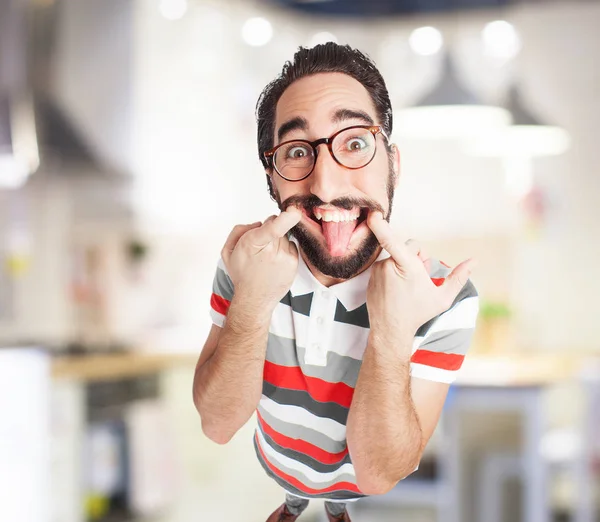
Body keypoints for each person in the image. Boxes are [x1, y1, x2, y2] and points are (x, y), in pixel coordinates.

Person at [193, 42, 479, 522]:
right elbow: (218, 425)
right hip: (279, 466)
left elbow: (378, 473)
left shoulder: (441, 299)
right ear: (273, 179)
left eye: (354, 143)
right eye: (298, 151)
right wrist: (253, 301)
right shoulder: (247, 264)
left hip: (351, 486)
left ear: (393, 163)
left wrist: (391, 331)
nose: (325, 185)